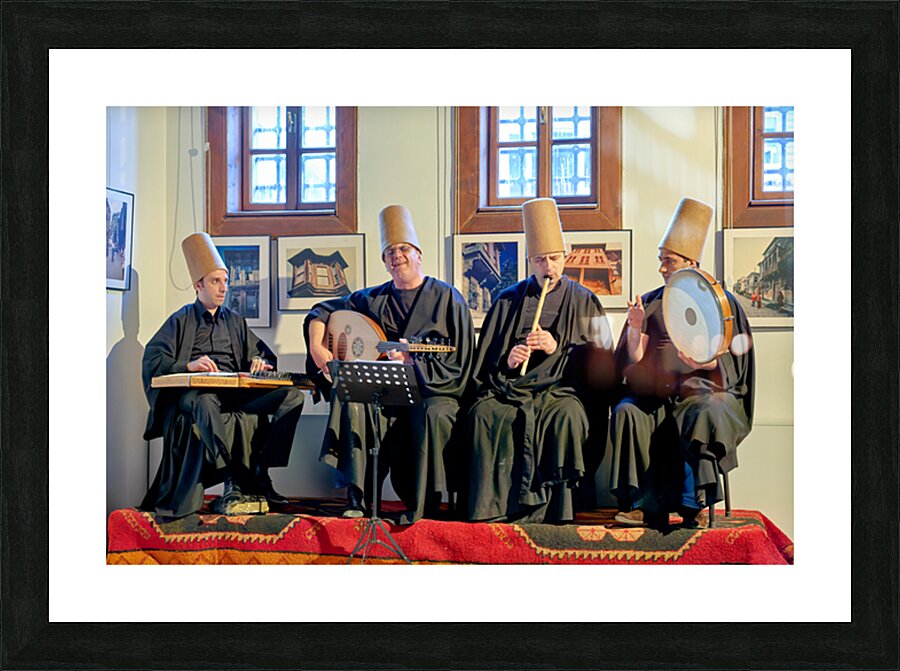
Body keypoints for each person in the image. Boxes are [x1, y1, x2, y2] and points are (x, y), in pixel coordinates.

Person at [303, 204, 475, 523]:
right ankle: (357, 495)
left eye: (404, 249)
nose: (397, 255)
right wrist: (317, 346)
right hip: (384, 393)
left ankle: (424, 503)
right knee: (351, 397)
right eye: (390, 252)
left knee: (431, 411)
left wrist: (415, 365)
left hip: (430, 392)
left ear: (419, 254)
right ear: (385, 261)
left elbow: (461, 363)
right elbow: (321, 310)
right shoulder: (373, 299)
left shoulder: (449, 299)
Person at [465, 198, 615, 524]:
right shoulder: (507, 299)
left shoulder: (586, 299)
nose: (549, 266)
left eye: (554, 258)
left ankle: (556, 510)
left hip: (564, 389)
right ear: (530, 261)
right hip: (512, 386)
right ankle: (494, 506)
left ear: (565, 257)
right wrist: (508, 359)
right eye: (540, 259)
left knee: (567, 416)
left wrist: (557, 348)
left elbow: (602, 359)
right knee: (484, 414)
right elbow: (486, 361)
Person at [608, 198, 754, 529]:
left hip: (701, 392)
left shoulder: (721, 303)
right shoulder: (650, 301)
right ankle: (640, 505)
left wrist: (702, 363)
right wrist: (633, 327)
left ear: (691, 261)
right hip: (654, 392)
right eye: (660, 261)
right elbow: (633, 361)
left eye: (668, 261)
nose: (661, 268)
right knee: (627, 410)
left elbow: (733, 364)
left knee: (701, 411)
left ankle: (695, 504)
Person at [141, 232, 305, 517]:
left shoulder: (235, 320)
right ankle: (229, 473)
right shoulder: (181, 319)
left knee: (291, 396)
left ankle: (260, 470)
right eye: (216, 281)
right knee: (205, 401)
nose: (223, 288)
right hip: (194, 394)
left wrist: (259, 361)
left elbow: (263, 353)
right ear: (198, 285)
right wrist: (188, 366)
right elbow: (153, 359)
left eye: (225, 281)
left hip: (234, 392)